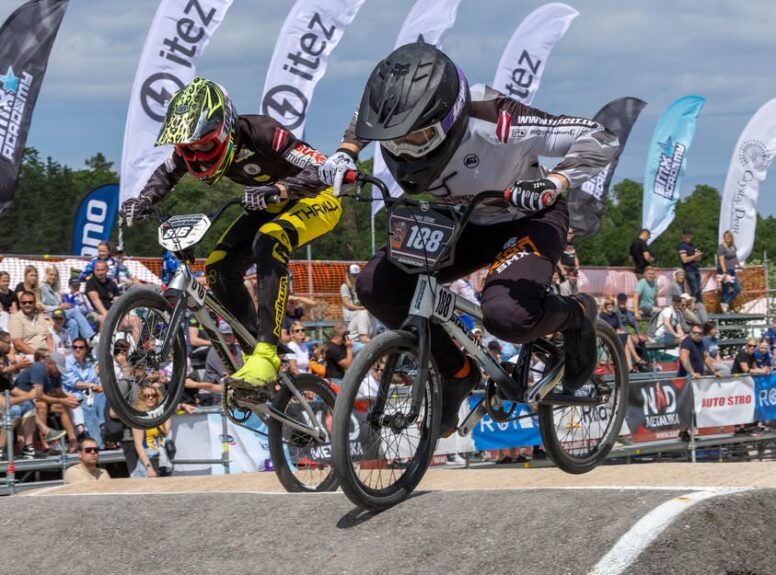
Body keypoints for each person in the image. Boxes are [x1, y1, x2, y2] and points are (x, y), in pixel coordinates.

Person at [319, 42, 617, 437]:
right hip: (465, 220)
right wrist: (346, 151)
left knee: (507, 318)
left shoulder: (499, 120)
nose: (405, 149)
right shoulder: (392, 112)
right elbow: (367, 112)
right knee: (377, 285)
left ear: (449, 116)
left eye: (417, 137)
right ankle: (455, 371)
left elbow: (600, 136)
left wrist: (555, 181)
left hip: (528, 217)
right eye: (395, 140)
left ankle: (576, 316)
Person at [119, 77, 339, 395]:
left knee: (269, 240)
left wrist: (279, 188)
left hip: (316, 198)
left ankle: (266, 352)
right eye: (189, 150)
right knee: (218, 267)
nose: (197, 155)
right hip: (269, 204)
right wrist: (143, 201)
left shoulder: (262, 133)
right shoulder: (188, 150)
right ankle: (253, 358)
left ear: (225, 130)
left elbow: (323, 169)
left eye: (205, 145)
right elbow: (166, 172)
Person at [62, 337, 105, 448]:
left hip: (89, 393)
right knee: (88, 408)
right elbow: (74, 383)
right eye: (75, 347)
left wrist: (93, 386)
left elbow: (93, 380)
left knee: (103, 397)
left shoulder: (88, 363)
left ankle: (103, 425)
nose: (77, 349)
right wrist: (90, 385)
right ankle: (96, 441)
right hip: (74, 394)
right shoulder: (67, 362)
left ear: (86, 349)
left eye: (81, 347)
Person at [41, 266, 96, 343]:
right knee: (74, 312)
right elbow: (42, 306)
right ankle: (91, 336)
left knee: (73, 323)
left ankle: (74, 345)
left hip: (60, 312)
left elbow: (89, 309)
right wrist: (59, 307)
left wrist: (64, 304)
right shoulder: (42, 287)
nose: (53, 277)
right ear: (46, 274)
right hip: (50, 313)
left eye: (55, 275)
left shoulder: (56, 288)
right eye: (51, 274)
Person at [131, 385, 172, 478]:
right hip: (149, 457)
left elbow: (166, 432)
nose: (150, 398)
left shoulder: (161, 415)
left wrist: (181, 406)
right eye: (146, 396)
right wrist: (148, 467)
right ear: (142, 398)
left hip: (162, 457)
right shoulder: (139, 417)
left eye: (154, 395)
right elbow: (138, 445)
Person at [8, 291, 53, 357]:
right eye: (24, 302)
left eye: (30, 302)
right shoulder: (16, 319)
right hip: (29, 356)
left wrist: (50, 353)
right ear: (20, 304)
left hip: (46, 354)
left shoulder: (39, 317)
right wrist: (39, 356)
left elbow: (49, 337)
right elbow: (18, 344)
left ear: (34, 303)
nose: (27, 304)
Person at [717, 230, 742, 313]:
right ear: (724, 238)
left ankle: (725, 303)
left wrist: (738, 264)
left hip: (732, 270)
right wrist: (724, 272)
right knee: (725, 290)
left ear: (731, 238)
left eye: (729, 236)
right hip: (724, 271)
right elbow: (721, 260)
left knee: (737, 289)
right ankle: (724, 310)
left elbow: (735, 256)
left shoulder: (733, 246)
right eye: (725, 237)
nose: (727, 238)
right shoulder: (721, 247)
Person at [677, 228, 703, 302]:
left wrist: (698, 255)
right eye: (687, 235)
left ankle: (698, 304)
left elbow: (699, 259)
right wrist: (695, 256)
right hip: (688, 270)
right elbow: (684, 260)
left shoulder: (693, 246)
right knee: (694, 290)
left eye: (690, 235)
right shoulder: (682, 246)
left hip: (696, 269)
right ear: (683, 236)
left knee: (698, 290)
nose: (688, 237)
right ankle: (693, 305)